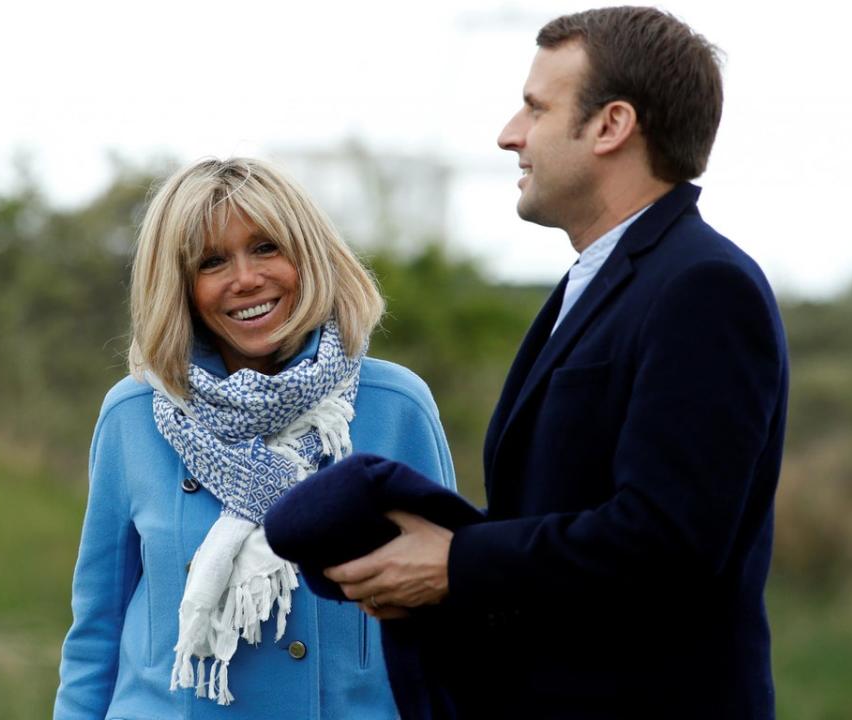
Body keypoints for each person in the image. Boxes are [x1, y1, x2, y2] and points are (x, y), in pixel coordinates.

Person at [325, 7, 789, 719]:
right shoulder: (603, 279)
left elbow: (666, 543)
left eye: (537, 108)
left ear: (612, 125)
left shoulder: (703, 287)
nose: (510, 134)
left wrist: (456, 564)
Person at [53, 157, 455, 720]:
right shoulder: (134, 413)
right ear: (181, 286)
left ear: (308, 256)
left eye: (266, 248)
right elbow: (97, 628)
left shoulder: (395, 407)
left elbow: (446, 619)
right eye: (212, 261)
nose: (245, 279)